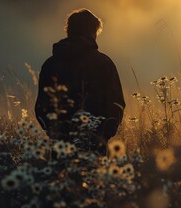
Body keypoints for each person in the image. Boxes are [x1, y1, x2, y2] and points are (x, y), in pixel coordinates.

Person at [35, 8, 125, 151]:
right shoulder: (103, 63)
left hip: (60, 146)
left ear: (69, 31)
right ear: (92, 32)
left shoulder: (50, 64)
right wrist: (103, 134)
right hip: (95, 145)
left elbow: (42, 106)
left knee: (62, 174)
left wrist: (55, 133)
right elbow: (116, 103)